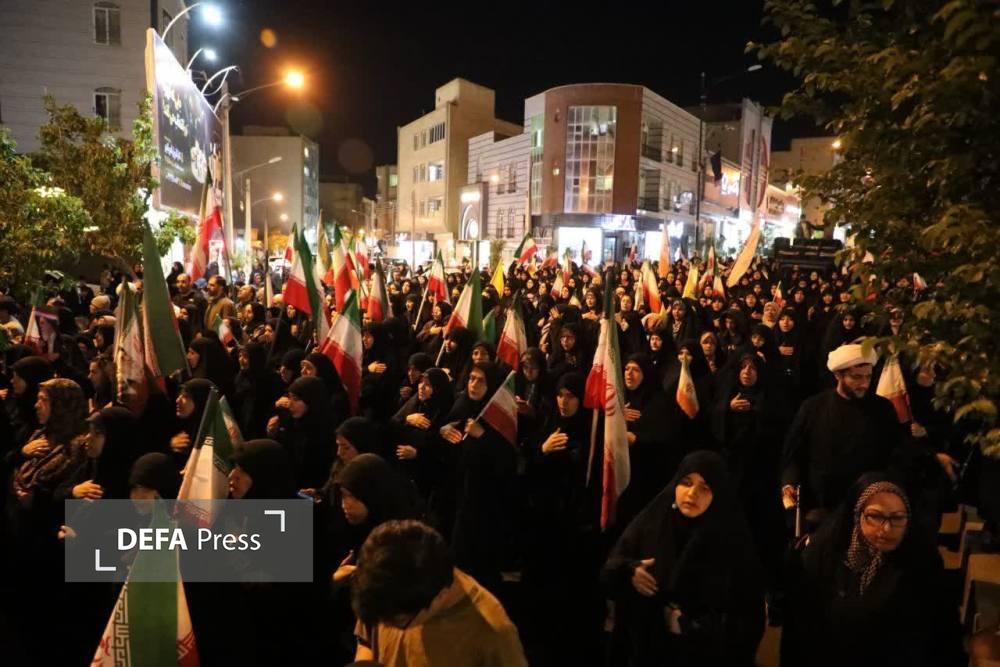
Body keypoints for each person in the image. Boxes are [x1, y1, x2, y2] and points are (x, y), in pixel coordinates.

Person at [780, 474, 964, 667]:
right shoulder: (823, 555)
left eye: (897, 518)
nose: (886, 528)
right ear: (857, 514)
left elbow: (944, 634)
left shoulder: (922, 562)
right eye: (875, 517)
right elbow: (800, 633)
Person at [602, 451, 766, 667]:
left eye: (704, 488)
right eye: (686, 483)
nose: (692, 493)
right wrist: (630, 571)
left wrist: (693, 626)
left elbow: (748, 619)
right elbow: (610, 570)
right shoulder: (653, 522)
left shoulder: (731, 543)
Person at [352, 520, 528, 667]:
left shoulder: (492, 634)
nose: (384, 626)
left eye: (397, 623)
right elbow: (366, 643)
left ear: (440, 596)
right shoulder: (385, 586)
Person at [781, 344, 910, 530]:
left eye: (868, 377)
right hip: (821, 508)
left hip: (868, 507)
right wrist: (789, 483)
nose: (864, 384)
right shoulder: (813, 408)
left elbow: (896, 452)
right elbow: (794, 454)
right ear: (838, 375)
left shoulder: (882, 409)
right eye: (856, 377)